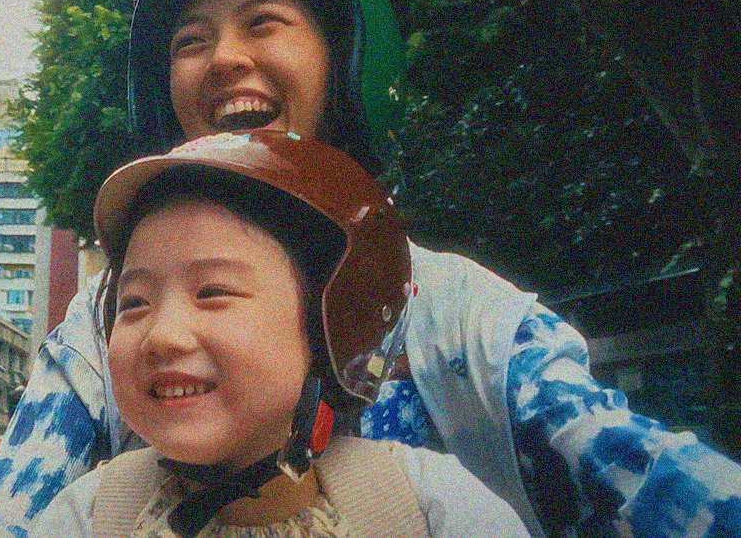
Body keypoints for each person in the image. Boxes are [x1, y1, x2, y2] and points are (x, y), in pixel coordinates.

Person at [0, 0, 741, 538]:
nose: (223, 58)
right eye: (191, 41)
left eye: (263, 23)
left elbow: (657, 483)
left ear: (350, 67)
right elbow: (9, 515)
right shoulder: (100, 329)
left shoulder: (460, 315)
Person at [31, 130, 529, 537]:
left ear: (331, 326)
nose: (161, 336)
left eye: (212, 292)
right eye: (134, 303)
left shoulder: (427, 508)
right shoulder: (88, 518)